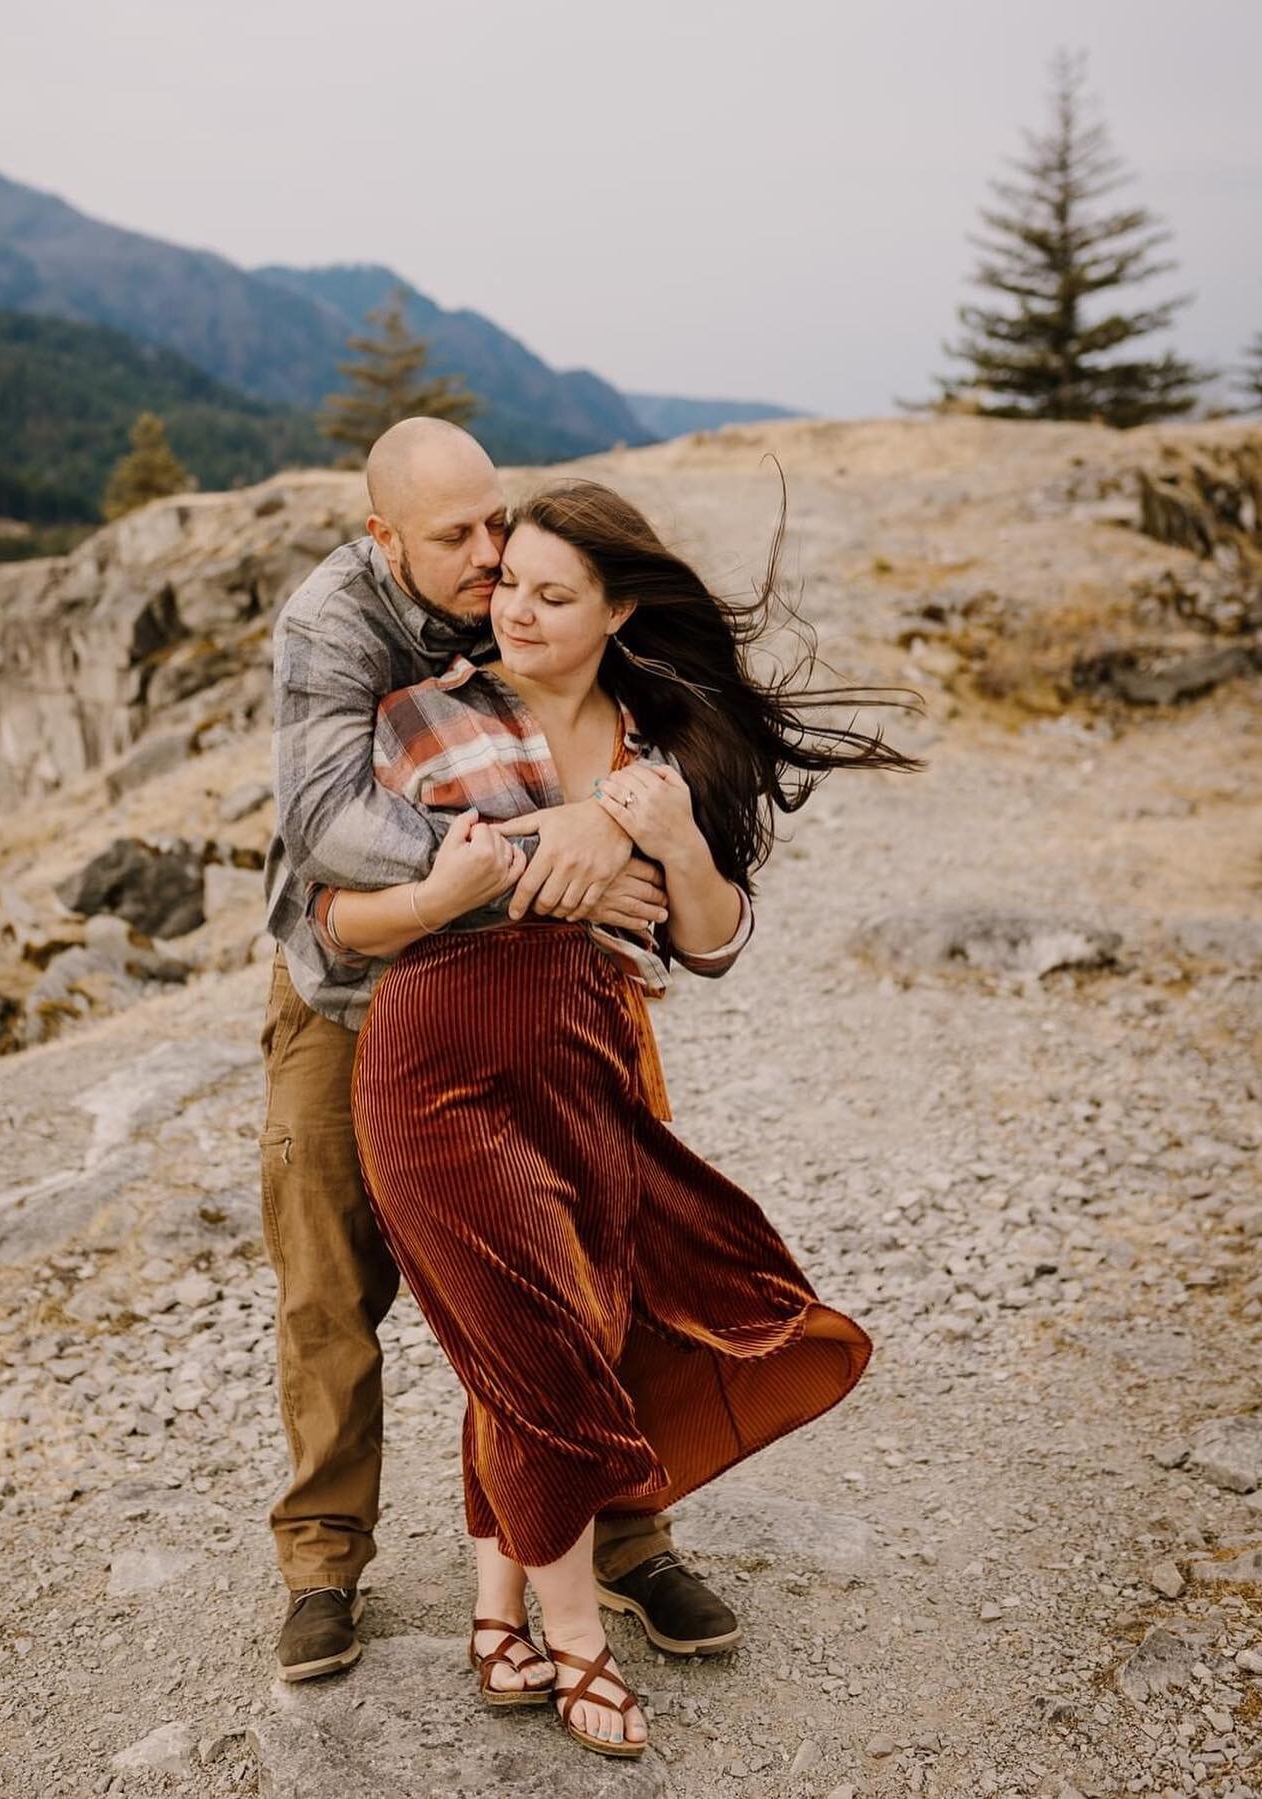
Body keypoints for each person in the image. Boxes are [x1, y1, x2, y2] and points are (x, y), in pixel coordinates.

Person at [307, 477, 923, 1756]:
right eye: (506, 585)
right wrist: (505, 864)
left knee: (554, 1320)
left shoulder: (664, 743)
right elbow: (336, 916)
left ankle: (495, 1607)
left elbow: (712, 939)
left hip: (593, 1059)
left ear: (619, 608)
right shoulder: (422, 717)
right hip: (435, 1061)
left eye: (551, 593)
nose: (514, 612)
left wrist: (672, 845)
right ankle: (576, 1633)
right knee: (536, 1340)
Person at [259, 419, 741, 1687]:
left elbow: (649, 716)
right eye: (457, 538)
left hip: (538, 1001)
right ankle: (323, 1564)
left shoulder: (523, 588)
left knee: (592, 1254)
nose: (491, 559)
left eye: (498, 521)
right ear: (382, 540)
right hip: (352, 983)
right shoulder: (334, 627)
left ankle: (630, 1537)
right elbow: (327, 832)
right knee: (328, 1276)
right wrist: (548, 861)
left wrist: (623, 823)